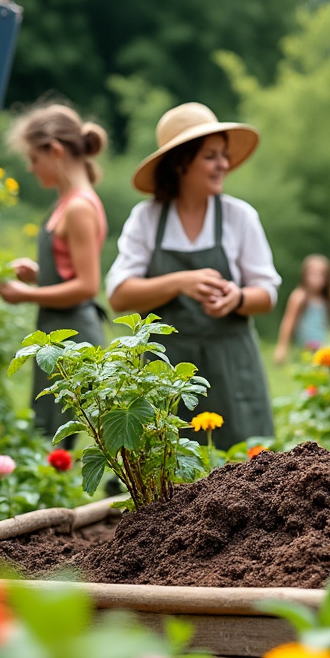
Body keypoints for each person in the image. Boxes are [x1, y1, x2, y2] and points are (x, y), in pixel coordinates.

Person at [107, 102, 281, 450]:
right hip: (166, 370)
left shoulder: (239, 216)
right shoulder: (147, 219)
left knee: (246, 471)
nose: (224, 165)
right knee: (169, 473)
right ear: (181, 163)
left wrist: (238, 298)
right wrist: (180, 282)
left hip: (233, 369)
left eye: (224, 155)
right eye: (211, 156)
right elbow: (119, 295)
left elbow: (267, 293)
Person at [0, 103, 109, 441]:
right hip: (57, 330)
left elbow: (88, 285)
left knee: (58, 436)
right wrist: (40, 274)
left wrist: (27, 295)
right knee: (50, 429)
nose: (32, 168)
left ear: (56, 151)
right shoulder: (66, 202)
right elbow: (69, 269)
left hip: (72, 335)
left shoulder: (78, 208)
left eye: (34, 159)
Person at [274, 254, 330, 365]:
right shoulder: (299, 296)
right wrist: (282, 347)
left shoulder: (326, 301)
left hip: (322, 347)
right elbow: (288, 321)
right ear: (305, 275)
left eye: (321, 275)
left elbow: (327, 325)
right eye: (313, 274)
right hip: (304, 348)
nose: (317, 279)